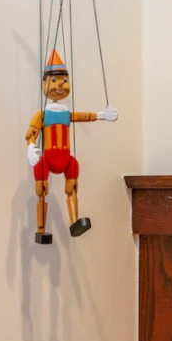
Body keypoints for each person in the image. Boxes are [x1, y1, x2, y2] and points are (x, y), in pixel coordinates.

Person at [25, 50, 117, 244]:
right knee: (42, 190)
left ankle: (75, 222)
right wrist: (31, 147)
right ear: (44, 85)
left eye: (64, 80)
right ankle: (41, 229)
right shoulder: (43, 114)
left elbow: (83, 116)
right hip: (48, 160)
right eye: (55, 80)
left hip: (65, 160)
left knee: (72, 184)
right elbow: (32, 132)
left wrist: (102, 115)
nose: (60, 84)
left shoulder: (66, 113)